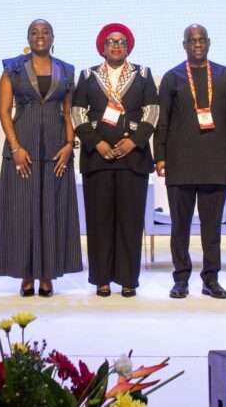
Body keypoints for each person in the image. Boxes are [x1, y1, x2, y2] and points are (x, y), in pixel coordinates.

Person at [0, 19, 82, 296]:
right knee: (22, 213)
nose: (40, 36)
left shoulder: (66, 69)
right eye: (34, 33)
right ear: (28, 37)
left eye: (45, 32)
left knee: (51, 211)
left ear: (53, 37)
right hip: (23, 150)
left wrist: (69, 145)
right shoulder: (12, 68)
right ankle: (26, 274)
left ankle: (48, 275)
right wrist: (15, 148)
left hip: (55, 151)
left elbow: (69, 112)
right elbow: (4, 111)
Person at [154, 24, 226, 300]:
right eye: (191, 41)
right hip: (180, 162)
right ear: (184, 45)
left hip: (216, 162)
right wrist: (160, 156)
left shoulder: (225, 75)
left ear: (209, 42)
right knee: (179, 226)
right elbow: (162, 121)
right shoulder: (172, 77)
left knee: (211, 226)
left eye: (201, 40)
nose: (197, 44)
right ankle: (180, 279)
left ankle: (211, 279)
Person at [71, 23, 158, 298]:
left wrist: (134, 141)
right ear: (102, 47)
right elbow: (77, 112)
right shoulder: (87, 76)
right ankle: (102, 279)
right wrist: (96, 143)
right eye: (110, 42)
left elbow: (153, 111)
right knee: (99, 222)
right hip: (98, 160)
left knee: (130, 222)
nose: (116, 46)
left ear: (128, 46)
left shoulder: (143, 74)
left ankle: (128, 279)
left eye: (121, 41)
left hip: (134, 159)